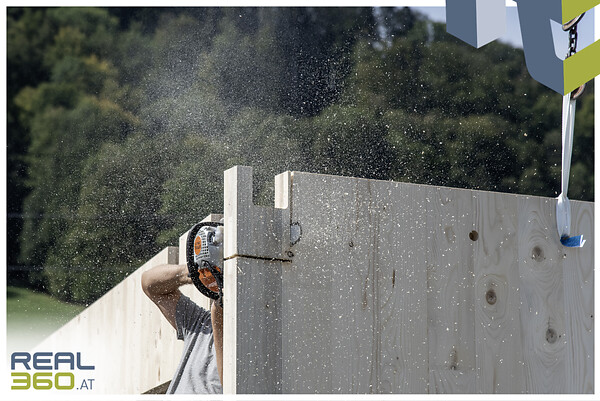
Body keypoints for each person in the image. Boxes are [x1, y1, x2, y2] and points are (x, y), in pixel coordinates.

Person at [141, 263, 223, 394]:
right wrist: (194, 272)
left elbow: (231, 382)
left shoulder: (256, 344)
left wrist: (219, 310)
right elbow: (149, 284)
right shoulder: (202, 322)